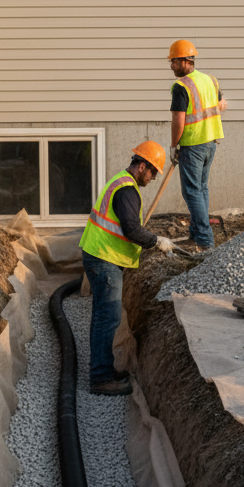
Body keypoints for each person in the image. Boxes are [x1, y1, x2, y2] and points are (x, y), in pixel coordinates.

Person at [79, 141, 176, 396]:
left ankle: (103, 369)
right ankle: (100, 378)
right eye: (153, 172)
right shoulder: (127, 191)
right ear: (142, 165)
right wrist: (157, 241)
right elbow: (131, 229)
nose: (154, 177)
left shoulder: (122, 182)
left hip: (99, 253)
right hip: (104, 258)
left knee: (103, 316)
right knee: (107, 318)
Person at [168, 39, 227, 250]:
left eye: (173, 62)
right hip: (211, 142)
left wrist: (174, 144)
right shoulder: (210, 80)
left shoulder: (181, 86)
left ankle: (205, 240)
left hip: (193, 144)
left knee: (192, 192)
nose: (171, 66)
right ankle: (195, 234)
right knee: (201, 188)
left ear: (184, 61)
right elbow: (222, 105)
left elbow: (178, 119)